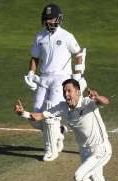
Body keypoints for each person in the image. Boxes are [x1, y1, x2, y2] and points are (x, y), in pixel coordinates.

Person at [15, 79, 118, 181]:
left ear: (77, 92)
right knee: (98, 180)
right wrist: (24, 114)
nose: (66, 94)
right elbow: (40, 116)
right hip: (85, 152)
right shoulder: (62, 107)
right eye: (64, 91)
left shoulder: (87, 103)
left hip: (101, 149)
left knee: (79, 177)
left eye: (69, 90)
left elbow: (105, 102)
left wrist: (97, 97)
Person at [23, 3, 87, 162]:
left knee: (50, 115)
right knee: (35, 117)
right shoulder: (40, 36)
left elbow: (79, 54)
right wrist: (31, 73)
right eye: (47, 19)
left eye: (52, 19)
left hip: (61, 79)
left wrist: (77, 76)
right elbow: (35, 58)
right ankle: (59, 132)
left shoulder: (67, 36)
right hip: (44, 78)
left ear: (59, 19)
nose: (50, 22)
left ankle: (51, 150)